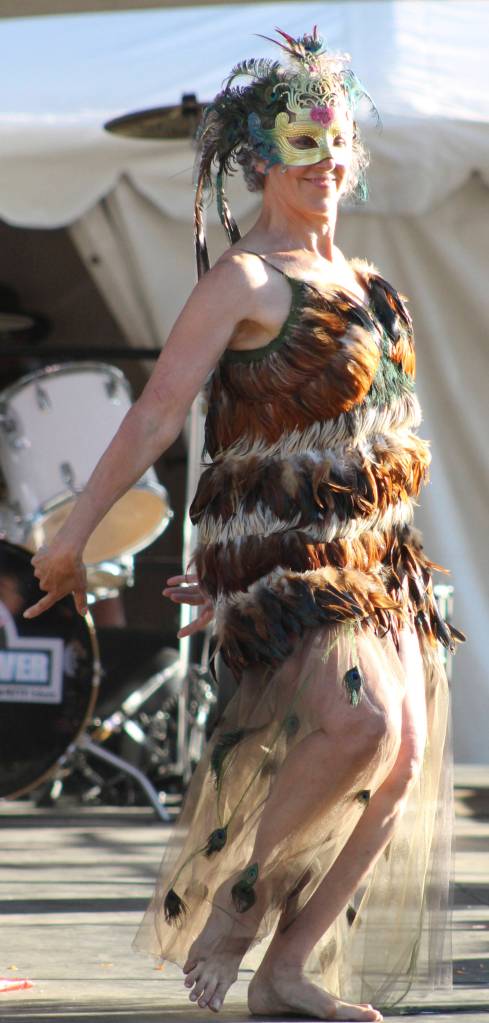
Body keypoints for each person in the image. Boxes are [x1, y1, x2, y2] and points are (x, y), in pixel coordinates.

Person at [25, 28, 463, 1022]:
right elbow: (157, 412)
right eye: (305, 146)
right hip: (283, 557)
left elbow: (386, 434)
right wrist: (78, 533)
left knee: (396, 765)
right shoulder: (245, 282)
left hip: (378, 553)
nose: (329, 164)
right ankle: (243, 903)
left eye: (340, 143)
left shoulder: (374, 286)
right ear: (261, 164)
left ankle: (285, 970)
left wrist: (401, 550)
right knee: (365, 723)